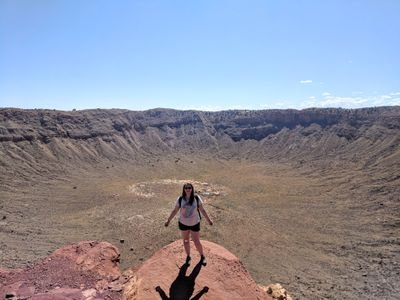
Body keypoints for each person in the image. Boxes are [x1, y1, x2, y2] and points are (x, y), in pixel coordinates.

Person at [165, 183, 213, 266]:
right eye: (186, 188)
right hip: (183, 224)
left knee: (196, 241)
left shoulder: (196, 198)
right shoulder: (180, 199)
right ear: (184, 189)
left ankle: (202, 256)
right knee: (186, 241)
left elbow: (202, 210)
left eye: (189, 188)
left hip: (194, 223)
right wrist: (168, 220)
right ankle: (188, 257)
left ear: (192, 189)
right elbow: (175, 210)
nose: (188, 189)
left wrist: (209, 220)